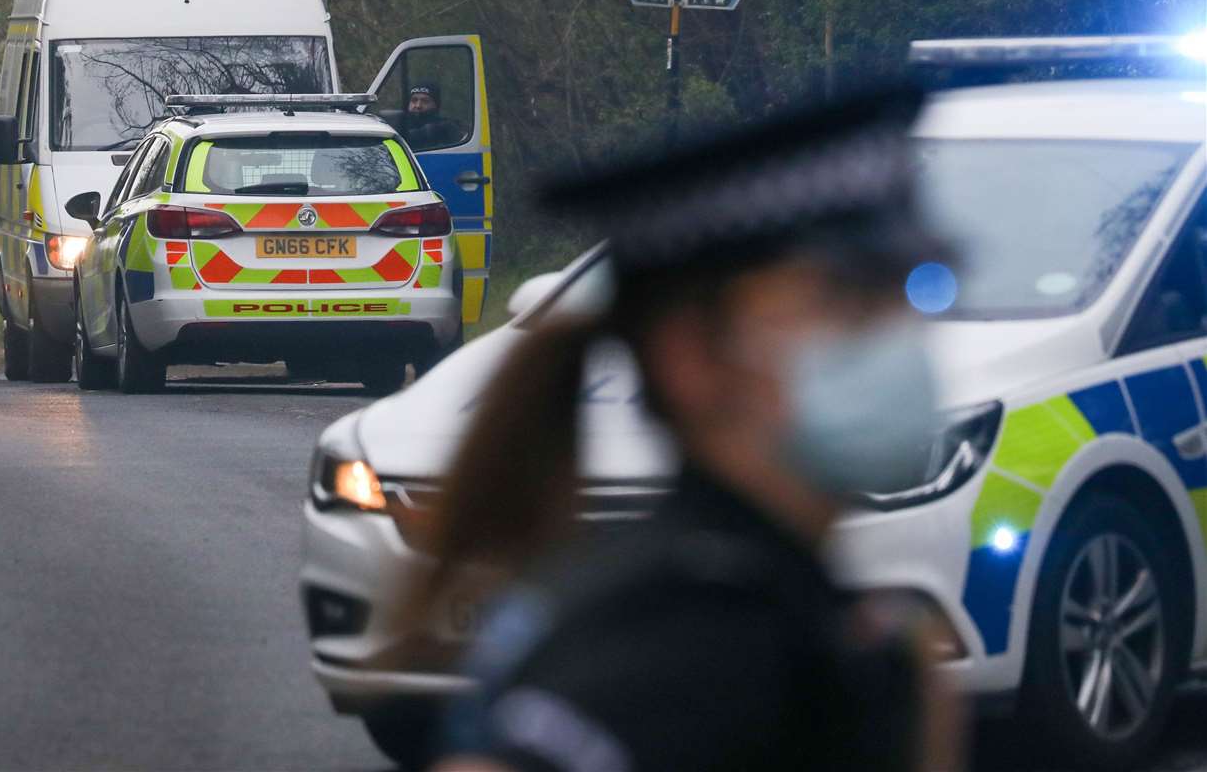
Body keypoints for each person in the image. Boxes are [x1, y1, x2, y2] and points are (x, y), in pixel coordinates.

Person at [414, 85, 965, 772]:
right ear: (692, 357)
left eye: (907, 293)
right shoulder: (683, 637)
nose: (899, 342)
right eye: (843, 303)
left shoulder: (814, 616)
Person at [391, 82, 465, 150]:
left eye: (425, 101)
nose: (418, 105)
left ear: (436, 105)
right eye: (414, 100)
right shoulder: (398, 125)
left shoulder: (446, 128)